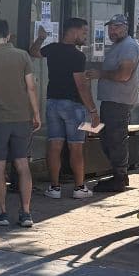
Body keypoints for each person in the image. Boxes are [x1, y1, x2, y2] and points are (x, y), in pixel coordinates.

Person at [0, 19, 41, 228]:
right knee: (22, 164)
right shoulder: (22, 56)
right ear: (9, 35)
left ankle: (2, 212)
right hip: (22, 117)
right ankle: (26, 213)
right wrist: (36, 113)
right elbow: (31, 87)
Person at [29, 17, 99, 199]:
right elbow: (81, 85)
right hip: (73, 106)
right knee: (76, 147)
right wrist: (92, 110)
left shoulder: (52, 49)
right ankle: (79, 187)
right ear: (73, 31)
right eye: (84, 32)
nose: (85, 36)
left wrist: (41, 37)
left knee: (54, 145)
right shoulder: (77, 56)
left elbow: (34, 52)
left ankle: (54, 188)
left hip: (52, 102)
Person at [84, 13, 139, 193]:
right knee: (108, 138)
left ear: (125, 27)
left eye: (116, 27)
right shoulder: (117, 46)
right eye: (110, 27)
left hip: (119, 101)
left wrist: (100, 74)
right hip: (111, 100)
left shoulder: (128, 46)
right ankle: (120, 175)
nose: (112, 31)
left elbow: (124, 75)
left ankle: (119, 177)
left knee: (115, 139)